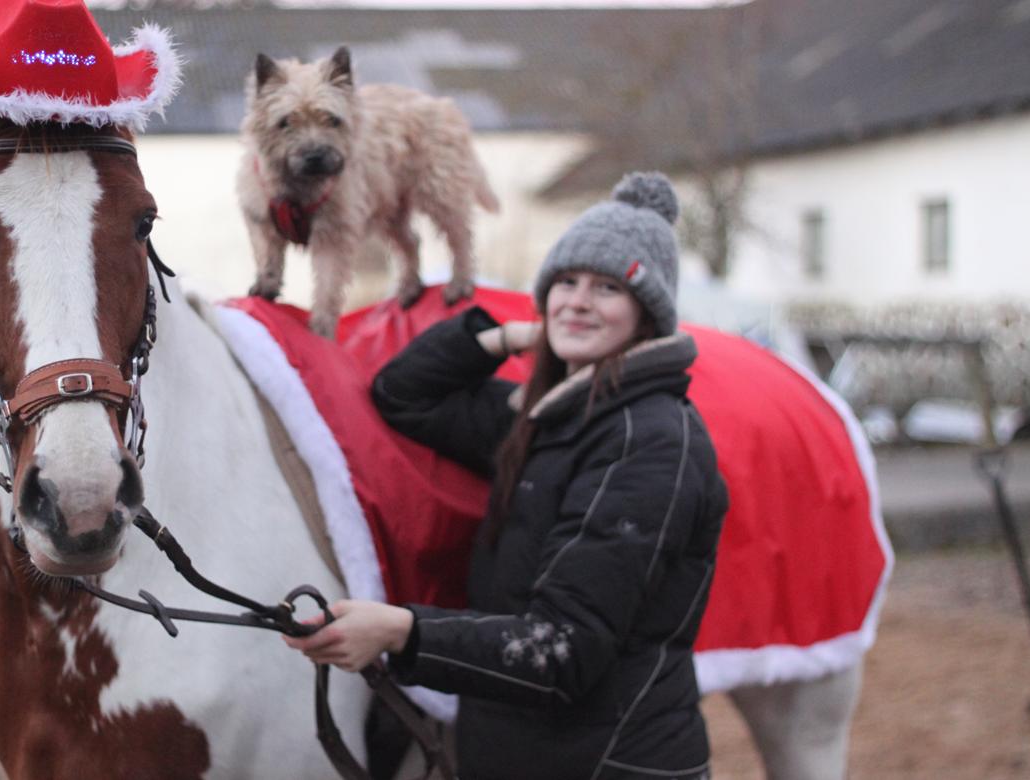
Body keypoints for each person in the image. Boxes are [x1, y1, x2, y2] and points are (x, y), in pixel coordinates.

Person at [284, 171, 729, 780]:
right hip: (526, 755)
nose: (577, 300)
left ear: (647, 313)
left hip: (609, 763)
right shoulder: (549, 416)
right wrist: (511, 337)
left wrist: (400, 629)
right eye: (565, 282)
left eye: (607, 288)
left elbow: (561, 650)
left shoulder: (647, 442)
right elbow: (403, 393)